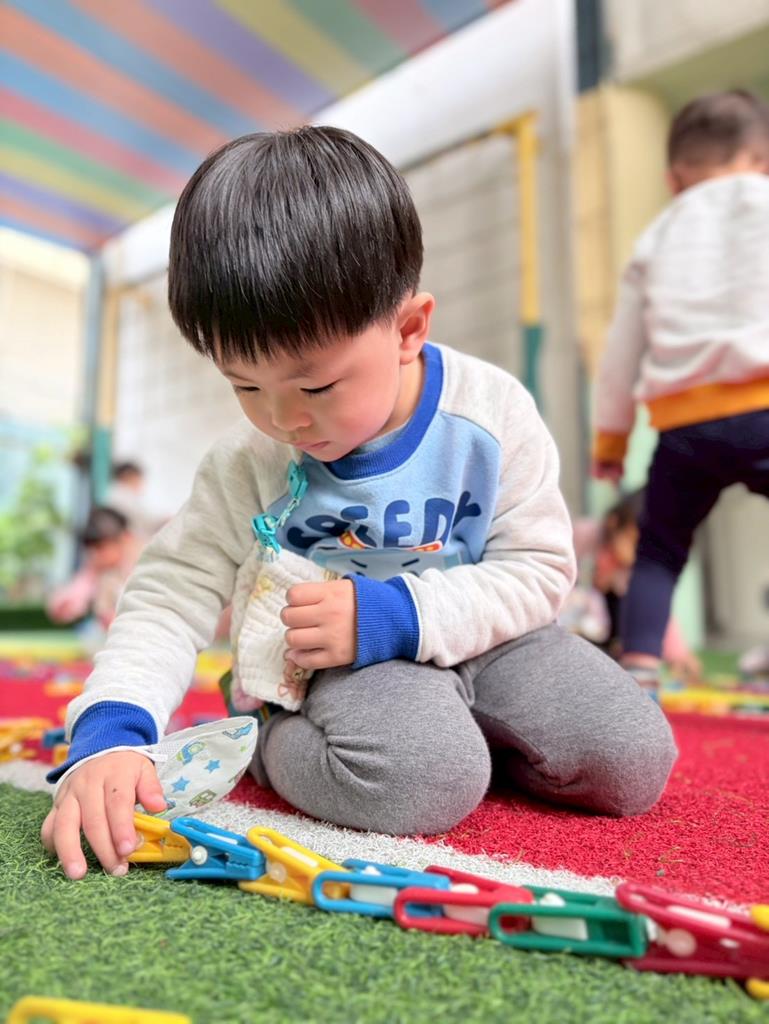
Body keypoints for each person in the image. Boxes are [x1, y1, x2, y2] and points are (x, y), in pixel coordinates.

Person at [42, 126, 676, 881]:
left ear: (408, 328)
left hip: (490, 638)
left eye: (315, 385)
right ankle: (267, 736)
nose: (284, 419)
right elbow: (170, 595)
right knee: (425, 780)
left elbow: (539, 571)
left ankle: (458, 731)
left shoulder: (490, 414)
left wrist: (398, 616)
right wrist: (111, 733)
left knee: (633, 760)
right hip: (331, 664)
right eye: (244, 385)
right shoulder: (249, 462)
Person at [592, 90, 769, 692]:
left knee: (660, 550)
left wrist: (612, 438)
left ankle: (640, 673)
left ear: (673, 178)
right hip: (763, 403)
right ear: (761, 160)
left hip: (684, 422)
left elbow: (622, 349)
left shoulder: (659, 234)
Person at [567, 492, 701, 681]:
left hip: (602, 632)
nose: (636, 552)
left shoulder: (631, 568)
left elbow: (653, 606)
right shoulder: (583, 536)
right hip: (568, 618)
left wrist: (678, 653)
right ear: (613, 523)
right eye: (633, 541)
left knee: (634, 606)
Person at [46, 506, 143, 629]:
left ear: (125, 538)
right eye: (91, 549)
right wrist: (66, 603)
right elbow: (74, 593)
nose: (95, 555)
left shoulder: (148, 561)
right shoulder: (100, 568)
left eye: (100, 547)